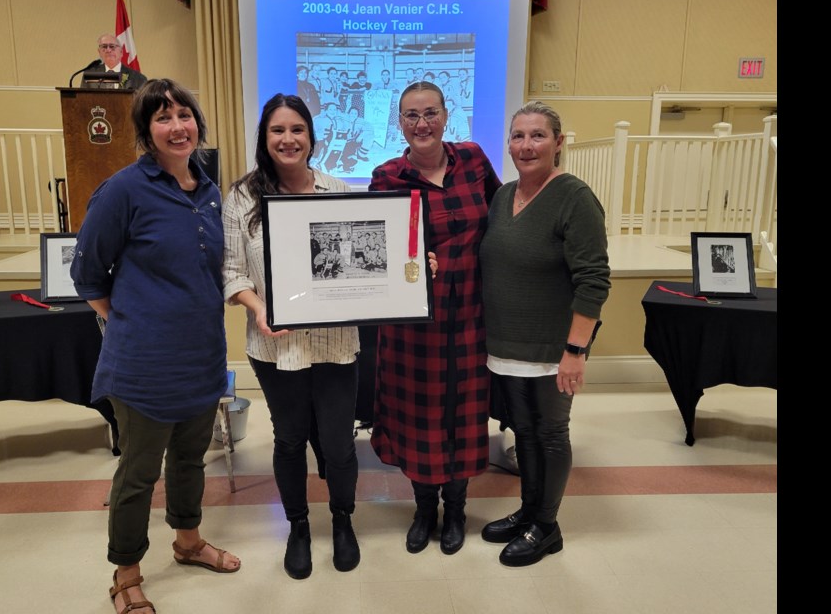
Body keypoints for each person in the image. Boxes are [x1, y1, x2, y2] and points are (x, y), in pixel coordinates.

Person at [70, 78, 240, 614]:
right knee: (139, 472)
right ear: (146, 131)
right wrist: (131, 322)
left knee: (190, 460)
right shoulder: (123, 189)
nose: (176, 126)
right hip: (142, 364)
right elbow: (88, 272)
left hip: (202, 358)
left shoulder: (210, 192)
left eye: (184, 115)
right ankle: (126, 573)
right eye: (162, 118)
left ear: (197, 123)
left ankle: (188, 543)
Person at [222, 93, 361, 580]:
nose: (288, 139)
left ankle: (342, 521)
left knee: (340, 443)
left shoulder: (339, 190)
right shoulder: (241, 197)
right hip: (275, 345)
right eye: (278, 130)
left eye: (297, 129)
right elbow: (232, 271)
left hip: (337, 343)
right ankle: (298, 527)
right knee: (289, 440)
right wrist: (259, 309)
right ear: (265, 138)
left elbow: (360, 266)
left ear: (311, 136)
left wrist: (407, 275)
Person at [368, 81, 502, 556]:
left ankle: (457, 509)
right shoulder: (386, 176)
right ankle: (425, 509)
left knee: (463, 415)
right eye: (410, 116)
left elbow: (503, 218)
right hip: (412, 326)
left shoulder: (474, 160)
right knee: (418, 418)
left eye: (430, 113)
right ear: (399, 123)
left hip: (470, 314)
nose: (421, 124)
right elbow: (374, 250)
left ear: (447, 116)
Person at [479, 101, 611, 567]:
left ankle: (547, 527)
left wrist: (575, 350)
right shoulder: (502, 196)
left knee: (550, 434)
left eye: (538, 136)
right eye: (518, 136)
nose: (526, 145)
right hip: (505, 346)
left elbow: (594, 279)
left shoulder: (574, 197)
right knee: (525, 433)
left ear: (559, 142)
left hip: (552, 349)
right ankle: (528, 512)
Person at [82, 33, 148, 90]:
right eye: (104, 47)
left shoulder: (137, 78)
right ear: (99, 52)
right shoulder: (90, 76)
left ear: (121, 52)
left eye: (112, 46)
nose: (108, 50)